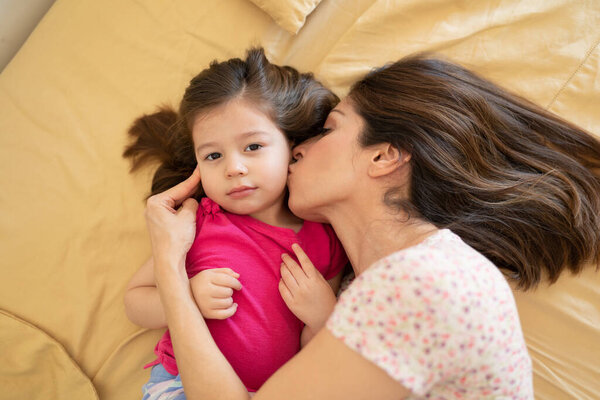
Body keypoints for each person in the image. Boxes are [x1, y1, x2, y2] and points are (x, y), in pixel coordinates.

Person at [144, 52, 600, 399]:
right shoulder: (376, 284)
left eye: (327, 129)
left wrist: (168, 262)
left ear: (383, 156)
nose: (299, 148)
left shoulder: (422, 284)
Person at [122, 48, 348, 399]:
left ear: (291, 146)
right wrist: (190, 294)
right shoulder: (197, 221)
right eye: (213, 155)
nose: (234, 168)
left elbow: (314, 350)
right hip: (180, 384)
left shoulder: (326, 238)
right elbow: (135, 301)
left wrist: (323, 317)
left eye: (253, 146)